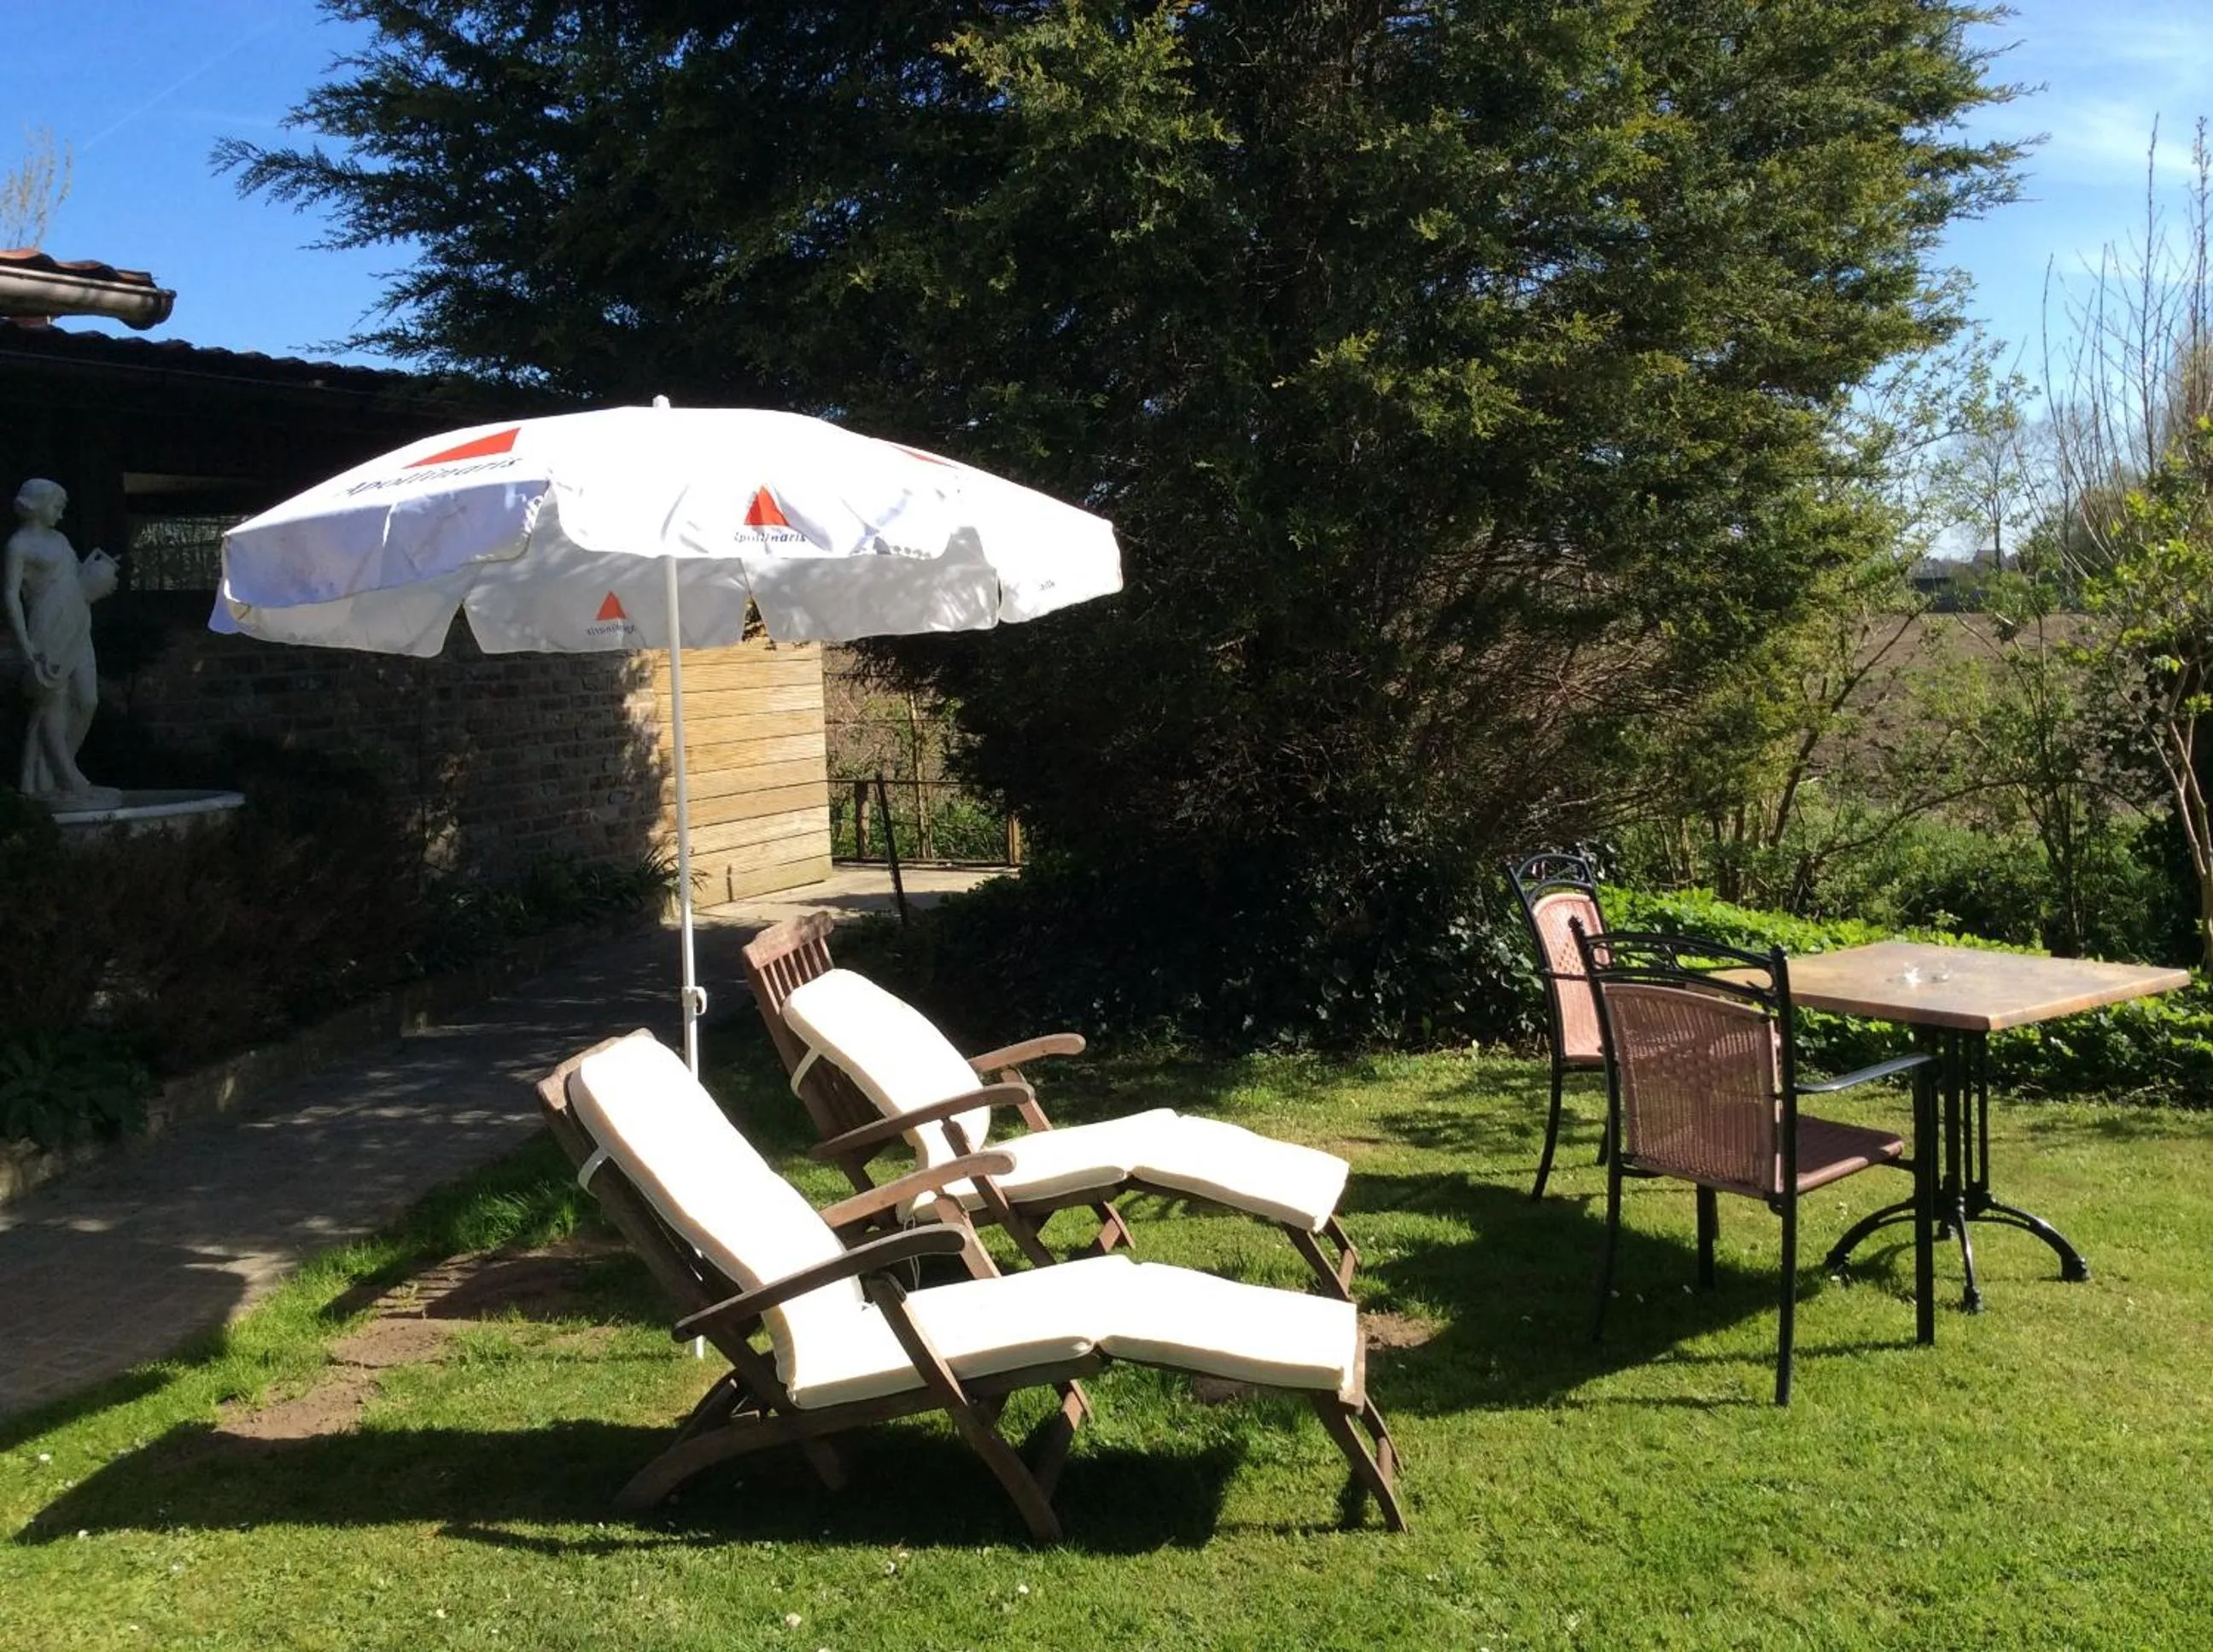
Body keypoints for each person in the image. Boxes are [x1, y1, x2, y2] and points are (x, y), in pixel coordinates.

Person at [3, 478, 119, 803]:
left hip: (77, 621)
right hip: (46, 626)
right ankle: (68, 778)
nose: (61, 514)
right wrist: (25, 646)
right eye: (56, 506)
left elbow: (74, 578)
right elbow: (11, 595)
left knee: (87, 700)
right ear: (37, 505)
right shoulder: (19, 545)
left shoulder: (61, 539)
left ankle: (55, 772)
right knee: (53, 701)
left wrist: (98, 576)